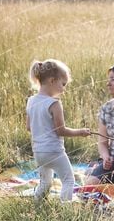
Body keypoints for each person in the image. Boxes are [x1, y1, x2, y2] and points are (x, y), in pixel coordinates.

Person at [27, 59, 90, 202]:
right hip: (54, 152)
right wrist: (80, 132)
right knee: (68, 180)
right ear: (52, 81)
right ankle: (65, 208)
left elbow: (28, 127)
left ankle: (36, 205)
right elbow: (60, 131)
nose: (63, 89)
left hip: (38, 152)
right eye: (63, 84)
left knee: (45, 183)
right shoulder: (54, 103)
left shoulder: (31, 101)